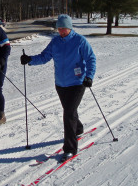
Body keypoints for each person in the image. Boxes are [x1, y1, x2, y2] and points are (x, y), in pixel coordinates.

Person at [20, 14, 96, 162]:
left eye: (63, 28)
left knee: (68, 113)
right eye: (59, 28)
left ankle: (70, 149)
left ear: (70, 27)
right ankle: (78, 129)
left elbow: (91, 59)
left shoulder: (80, 41)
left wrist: (89, 76)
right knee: (70, 112)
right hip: (60, 84)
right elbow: (44, 57)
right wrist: (30, 59)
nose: (61, 31)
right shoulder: (55, 42)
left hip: (77, 83)